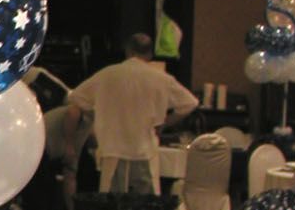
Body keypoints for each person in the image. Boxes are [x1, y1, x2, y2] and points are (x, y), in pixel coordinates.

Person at [63, 33, 198, 196]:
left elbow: (76, 97)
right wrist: (166, 122)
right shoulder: (161, 78)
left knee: (112, 204)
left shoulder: (108, 74)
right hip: (145, 150)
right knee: (146, 205)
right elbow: (190, 103)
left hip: (113, 147)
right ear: (149, 54)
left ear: (128, 50)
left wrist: (96, 114)